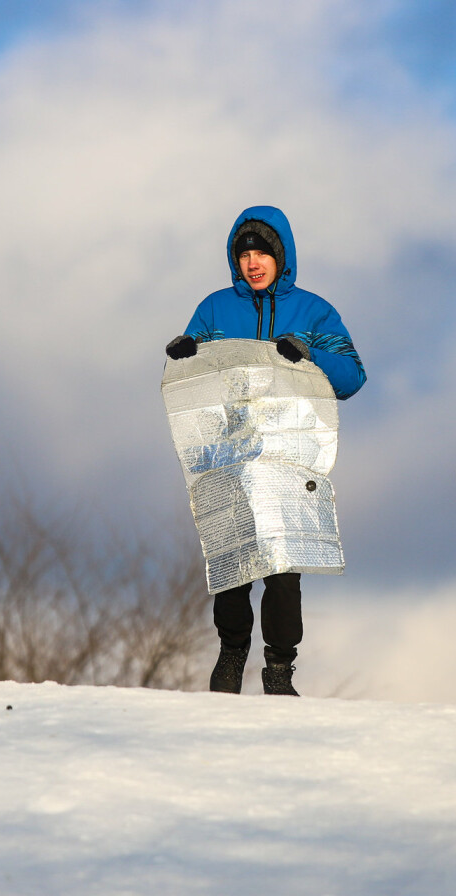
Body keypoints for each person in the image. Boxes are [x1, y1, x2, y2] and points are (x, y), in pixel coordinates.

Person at [165, 205, 366, 696]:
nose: (253, 262)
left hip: (286, 455)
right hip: (231, 453)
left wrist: (310, 356)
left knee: (282, 568)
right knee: (232, 556)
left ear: (282, 257)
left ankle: (279, 670)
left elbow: (352, 377)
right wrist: (187, 357)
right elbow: (192, 373)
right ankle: (231, 656)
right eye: (245, 254)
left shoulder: (314, 312)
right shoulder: (216, 309)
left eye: (262, 253)